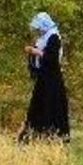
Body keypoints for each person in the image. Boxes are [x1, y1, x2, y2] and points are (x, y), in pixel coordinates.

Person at [18, 12, 70, 143]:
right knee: (38, 106)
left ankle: (53, 135)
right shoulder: (43, 38)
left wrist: (34, 51)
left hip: (52, 79)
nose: (38, 30)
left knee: (51, 106)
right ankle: (34, 135)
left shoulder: (53, 37)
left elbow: (51, 59)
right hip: (44, 78)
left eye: (39, 27)